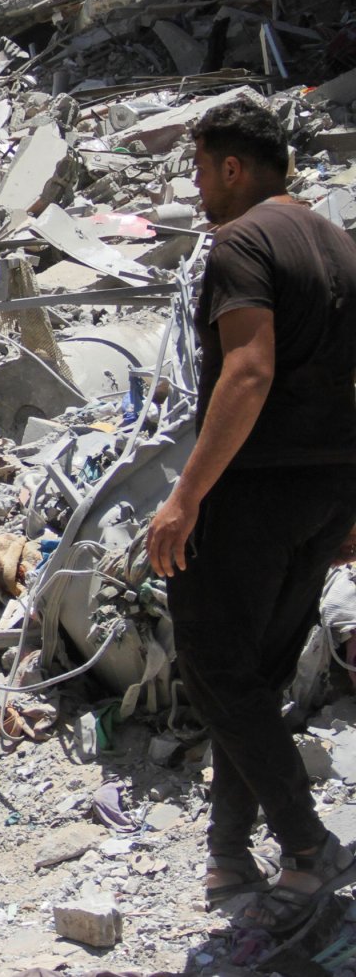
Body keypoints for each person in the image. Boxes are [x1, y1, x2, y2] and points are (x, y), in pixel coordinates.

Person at [144, 100, 356, 931]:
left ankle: (307, 843)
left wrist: (186, 495)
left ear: (234, 167)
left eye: (202, 169)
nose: (198, 188)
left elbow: (248, 371)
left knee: (211, 665)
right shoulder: (339, 243)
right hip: (327, 490)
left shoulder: (242, 243)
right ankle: (230, 850)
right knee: (258, 672)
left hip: (254, 490)